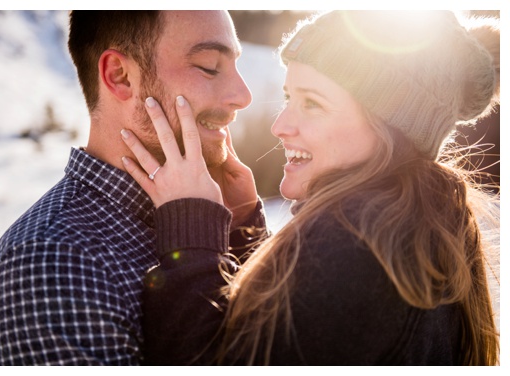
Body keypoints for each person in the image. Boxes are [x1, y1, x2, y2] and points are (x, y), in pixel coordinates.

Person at [120, 10, 500, 365]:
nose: (280, 125)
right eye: (289, 98)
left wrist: (191, 227)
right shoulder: (416, 224)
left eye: (313, 104)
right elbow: (291, 337)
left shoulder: (355, 239)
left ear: (389, 128)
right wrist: (244, 231)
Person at [0, 10, 254, 365]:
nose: (243, 95)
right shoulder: (55, 262)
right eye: (210, 66)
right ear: (120, 76)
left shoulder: (202, 215)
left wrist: (241, 231)